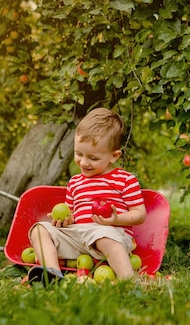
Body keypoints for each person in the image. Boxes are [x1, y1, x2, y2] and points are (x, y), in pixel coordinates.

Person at [27, 107, 147, 285]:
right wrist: (65, 220)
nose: (84, 162)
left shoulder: (125, 180)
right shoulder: (75, 182)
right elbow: (73, 215)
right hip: (79, 237)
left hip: (110, 235)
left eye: (92, 157)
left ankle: (129, 280)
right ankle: (52, 273)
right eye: (79, 154)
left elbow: (139, 214)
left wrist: (115, 219)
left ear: (114, 156)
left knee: (103, 234)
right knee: (39, 229)